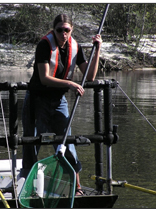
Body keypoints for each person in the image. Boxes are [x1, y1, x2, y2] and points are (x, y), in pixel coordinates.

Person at [21, 14, 102, 196]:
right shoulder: (44, 45)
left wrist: (97, 50)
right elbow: (44, 78)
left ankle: (77, 189)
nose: (63, 33)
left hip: (59, 101)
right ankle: (26, 188)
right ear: (54, 29)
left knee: (67, 143)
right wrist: (71, 84)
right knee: (31, 144)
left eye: (67, 30)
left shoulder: (75, 47)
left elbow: (90, 76)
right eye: (60, 30)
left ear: (71, 30)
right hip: (37, 100)